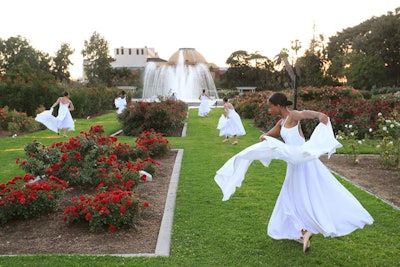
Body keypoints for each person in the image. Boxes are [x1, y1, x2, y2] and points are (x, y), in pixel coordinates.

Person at [214, 92, 373, 252]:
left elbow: (305, 113)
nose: (269, 109)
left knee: (307, 194)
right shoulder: (281, 122)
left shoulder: (293, 116)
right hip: (294, 164)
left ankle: (306, 228)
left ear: (279, 106)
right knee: (295, 195)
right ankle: (303, 231)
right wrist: (265, 138)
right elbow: (268, 134)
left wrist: (320, 115)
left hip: (305, 161)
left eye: (270, 106)